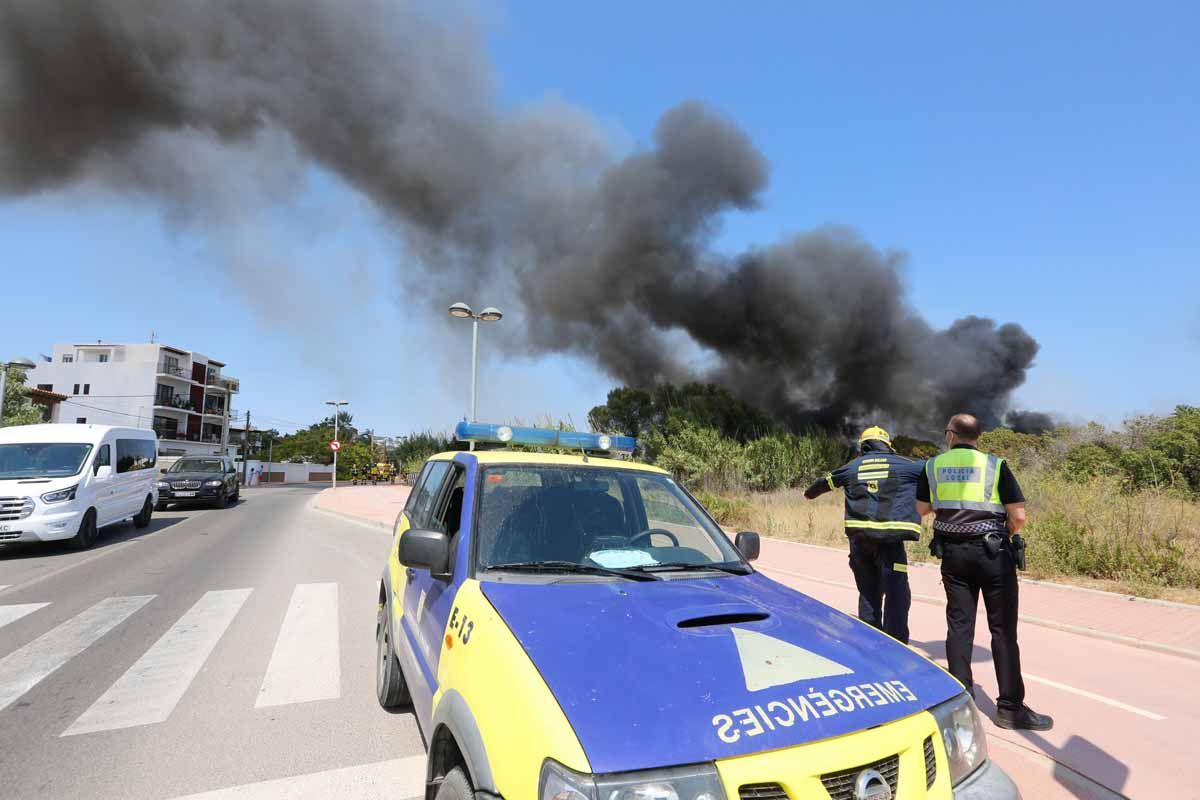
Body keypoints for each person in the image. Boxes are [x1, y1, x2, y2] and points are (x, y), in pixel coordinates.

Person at [916, 413, 1053, 731]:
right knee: (1003, 631)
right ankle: (1009, 709)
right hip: (993, 555)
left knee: (959, 627)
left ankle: (961, 706)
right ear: (978, 436)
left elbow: (922, 509)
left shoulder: (933, 466)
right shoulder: (996, 465)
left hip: (953, 554)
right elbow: (1018, 516)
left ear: (950, 434)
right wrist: (1001, 530)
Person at [804, 426, 923, 643]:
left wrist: (808, 495)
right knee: (897, 593)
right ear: (887, 445)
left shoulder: (851, 467)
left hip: (860, 543)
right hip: (890, 542)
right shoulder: (909, 465)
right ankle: (895, 644)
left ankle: (869, 641)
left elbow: (822, 484)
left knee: (868, 593)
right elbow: (935, 472)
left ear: (863, 446)